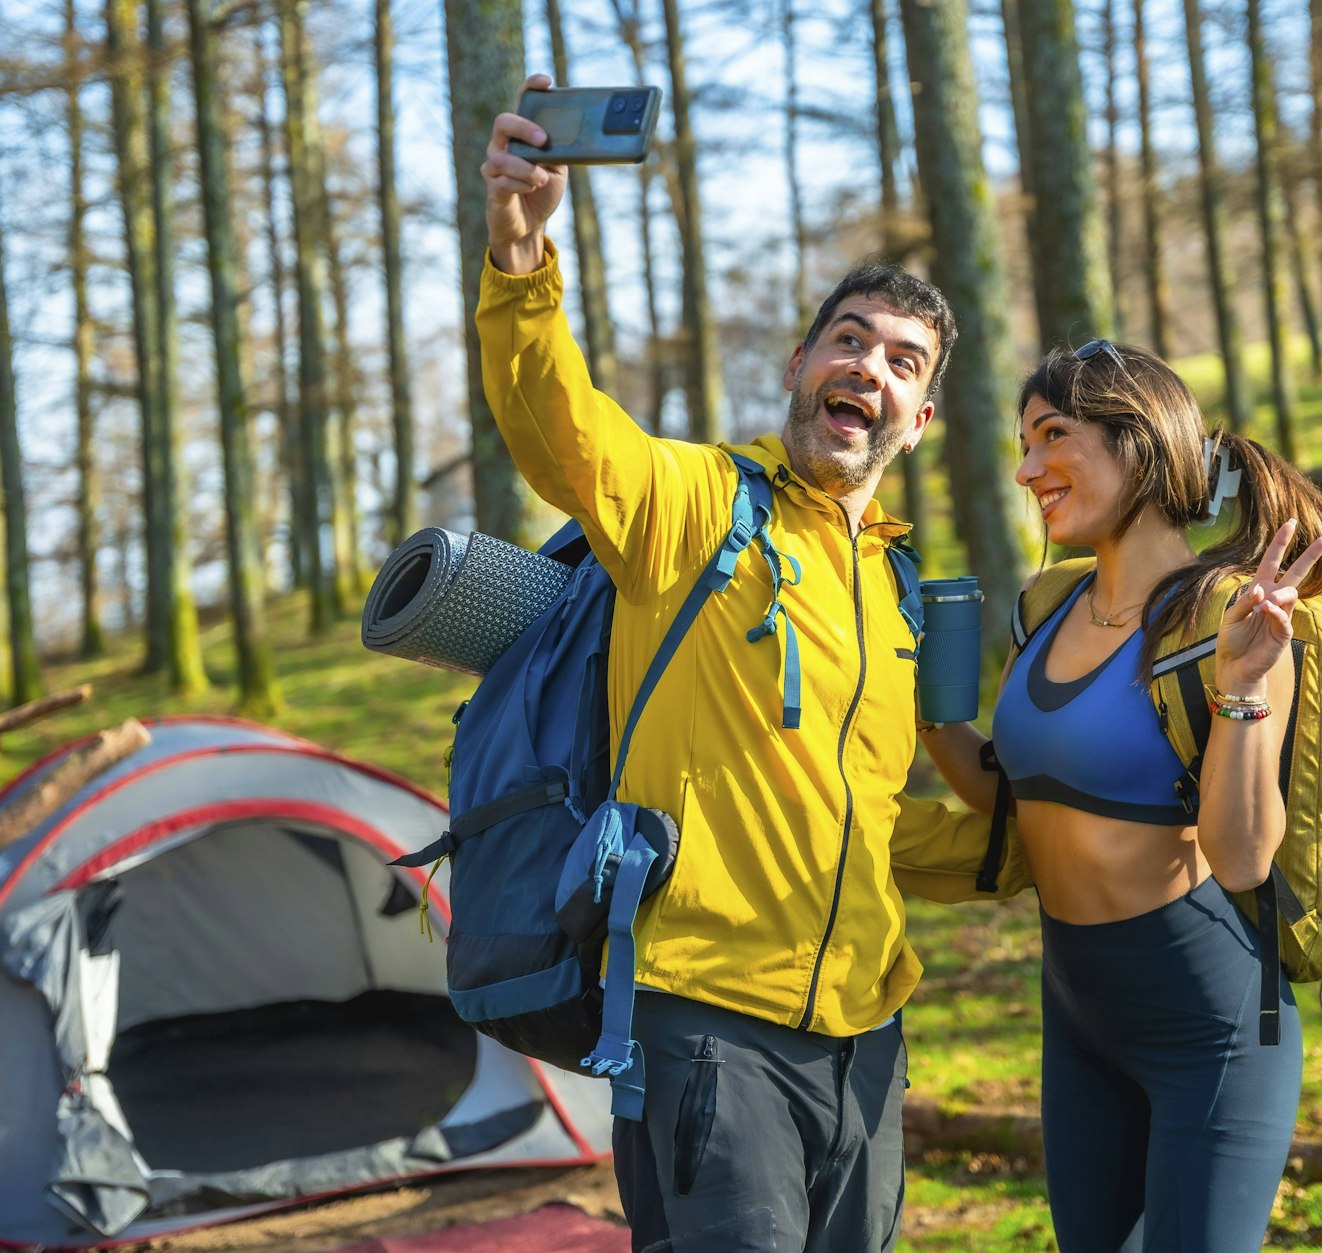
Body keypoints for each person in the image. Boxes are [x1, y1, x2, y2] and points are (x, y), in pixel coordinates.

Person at [478, 76, 1028, 1253]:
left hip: (864, 1034)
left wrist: (1040, 846)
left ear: (920, 418)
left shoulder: (891, 590)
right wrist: (522, 259)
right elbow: (556, 423)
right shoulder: (692, 508)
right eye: (848, 339)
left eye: (901, 360)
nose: (868, 368)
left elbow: (862, 821)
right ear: (797, 364)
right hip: (703, 1018)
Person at [920, 340, 1322, 1251]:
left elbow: (1240, 856)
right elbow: (1013, 797)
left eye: (1052, 436)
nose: (1028, 468)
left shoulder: (1230, 613)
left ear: (1138, 442)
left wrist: (1243, 684)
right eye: (1023, 442)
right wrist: (929, 706)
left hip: (1211, 1024)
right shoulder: (1049, 606)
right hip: (1077, 1012)